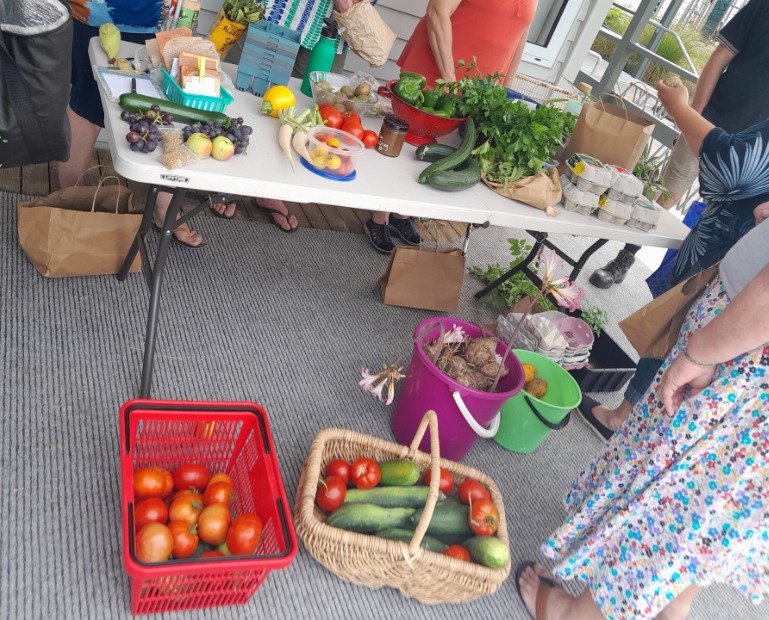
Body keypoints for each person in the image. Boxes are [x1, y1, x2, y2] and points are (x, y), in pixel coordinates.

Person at [516, 79, 769, 620]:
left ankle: (576, 614)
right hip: (749, 360)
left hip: (747, 364)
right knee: (704, 524)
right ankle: (658, 613)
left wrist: (700, 353)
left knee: (672, 507)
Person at [61, 0, 297, 244]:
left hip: (166, 21)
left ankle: (163, 212)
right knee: (85, 110)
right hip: (100, 17)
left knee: (167, 115)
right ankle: (67, 199)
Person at [589, 0, 769, 289]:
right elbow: (721, 55)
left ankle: (686, 295)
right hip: (710, 122)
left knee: (721, 227)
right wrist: (693, 113)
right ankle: (624, 257)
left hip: (754, 158)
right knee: (664, 196)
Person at [360, 0, 537, 254]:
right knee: (407, 143)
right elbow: (437, 11)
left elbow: (520, 37)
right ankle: (378, 217)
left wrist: (505, 93)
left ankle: (402, 214)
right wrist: (450, 81)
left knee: (438, 150)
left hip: (480, 84)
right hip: (439, 65)